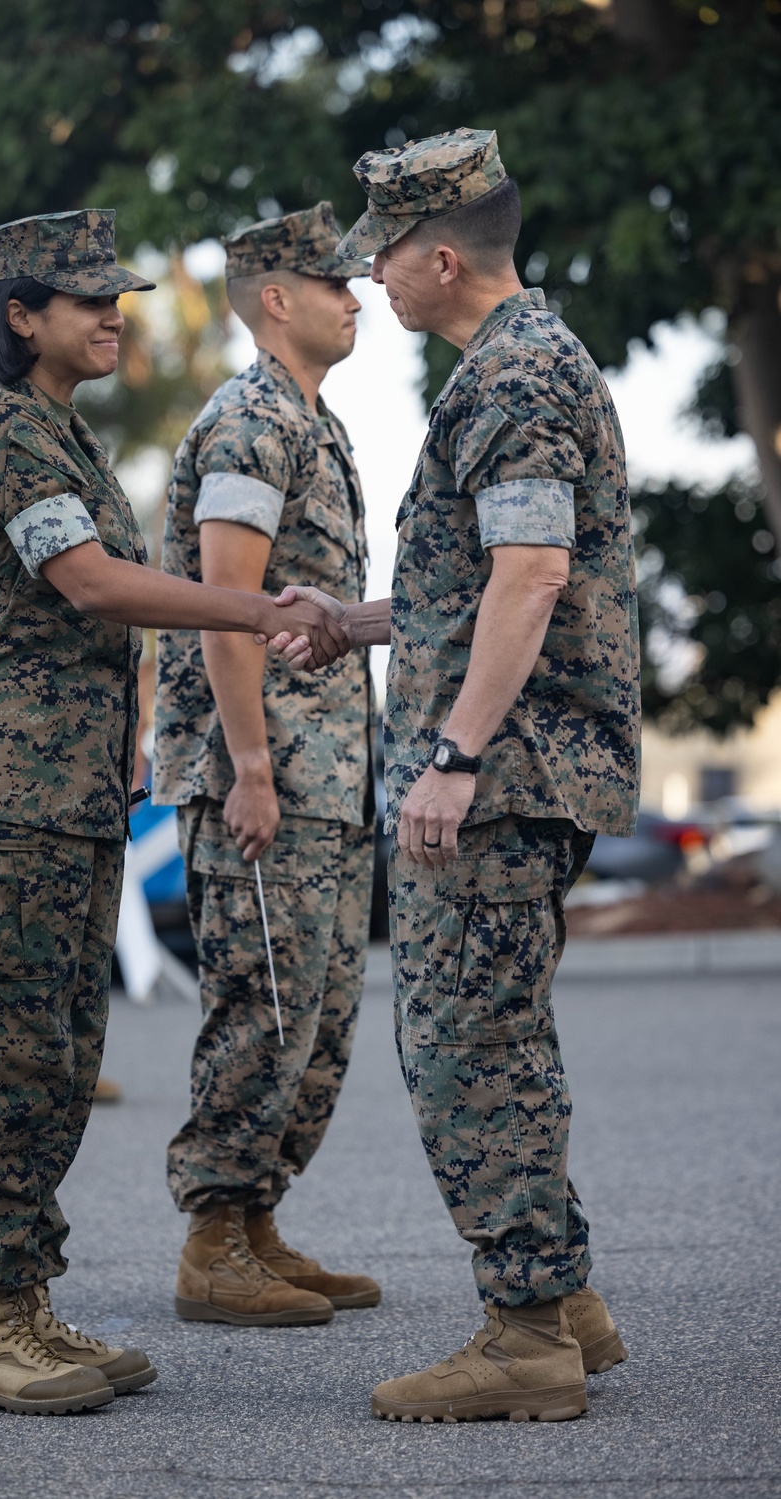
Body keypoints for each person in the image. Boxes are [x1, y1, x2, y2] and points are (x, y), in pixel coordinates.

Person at [0, 209, 347, 1416]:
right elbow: (89, 584)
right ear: (18, 316)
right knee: (11, 1057)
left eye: (119, 297)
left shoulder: (61, 432)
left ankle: (26, 1304)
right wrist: (255, 611)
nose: (113, 316)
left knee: (58, 1057)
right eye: (86, 299)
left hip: (61, 787)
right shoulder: (2, 424)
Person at [267, 130, 641, 1422]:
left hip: (502, 776)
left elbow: (535, 576)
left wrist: (454, 755)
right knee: (502, 1036)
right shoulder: (519, 361)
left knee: (463, 1046)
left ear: (441, 255)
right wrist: (356, 619)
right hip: (518, 765)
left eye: (380, 252)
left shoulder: (517, 376)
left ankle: (527, 1330)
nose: (369, 276)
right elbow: (484, 578)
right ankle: (566, 1299)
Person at [152, 203, 381, 1326]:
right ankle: (211, 1240)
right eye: (336, 282)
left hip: (326, 777)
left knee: (319, 1018)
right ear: (275, 299)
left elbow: (310, 614)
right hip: (268, 777)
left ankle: (255, 1221)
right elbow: (224, 609)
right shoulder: (249, 421)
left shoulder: (312, 421)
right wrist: (248, 765)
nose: (358, 297)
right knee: (264, 1007)